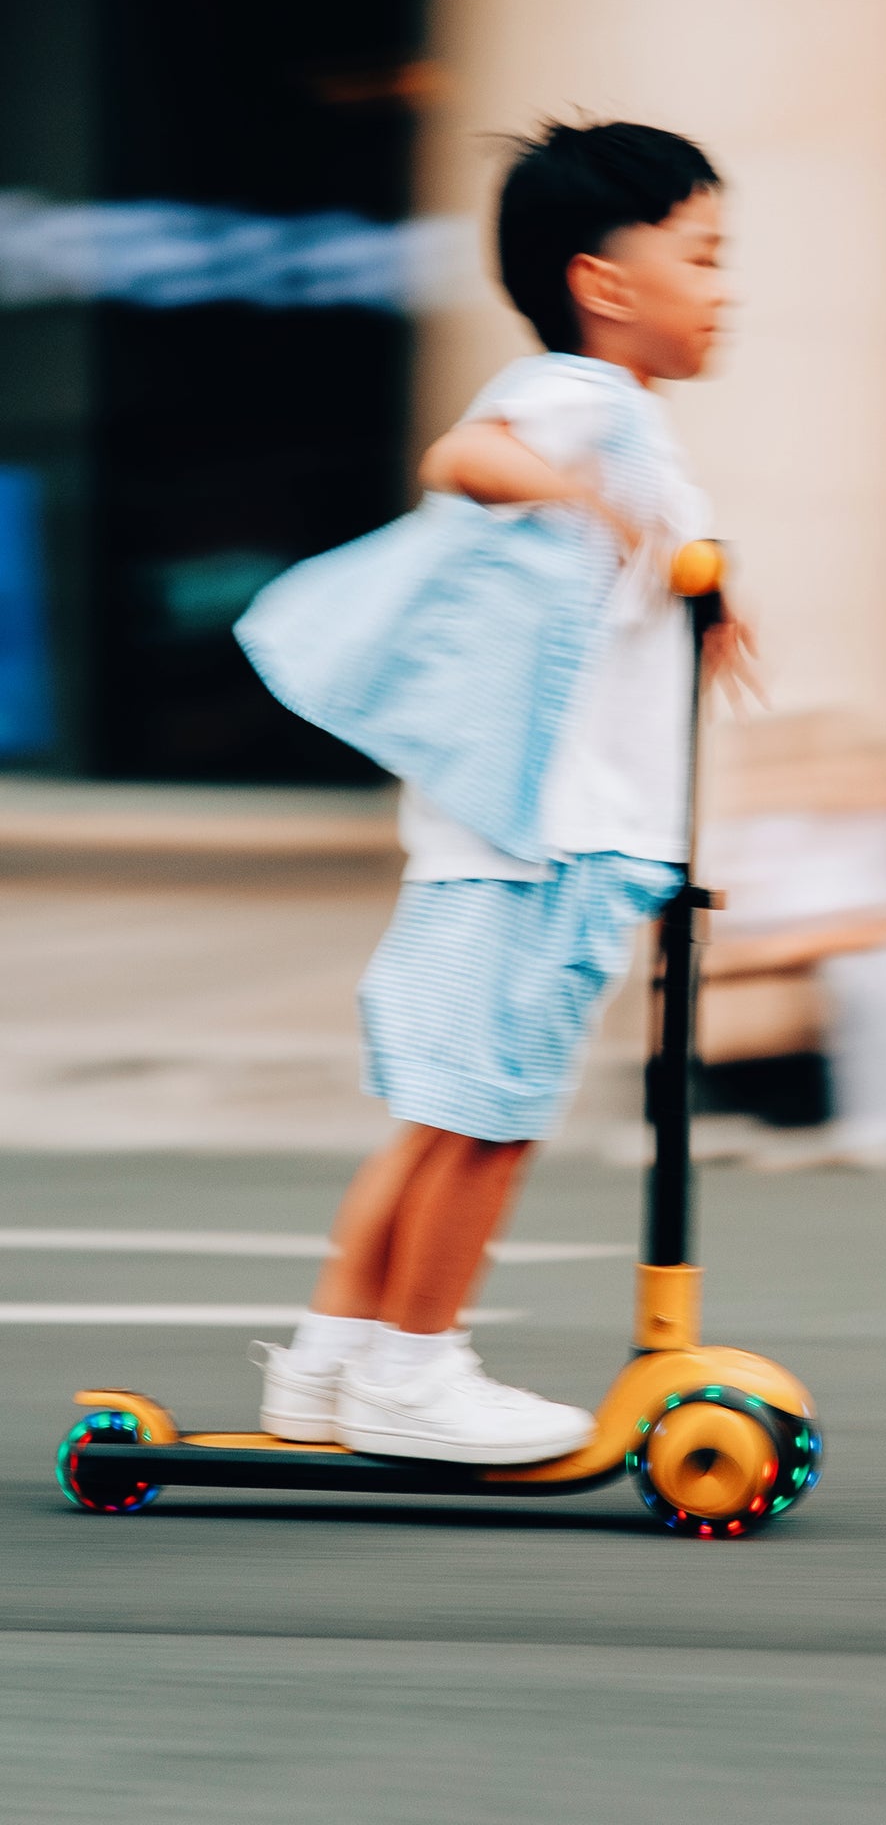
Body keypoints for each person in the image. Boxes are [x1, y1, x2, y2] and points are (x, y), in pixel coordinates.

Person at [235, 120, 755, 1465]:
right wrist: (597, 504)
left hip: (516, 839)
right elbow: (461, 461)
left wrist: (689, 581)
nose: (725, 286)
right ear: (606, 283)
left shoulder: (616, 417)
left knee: (444, 1117)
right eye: (702, 255)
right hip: (553, 844)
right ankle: (419, 1371)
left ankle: (333, 1364)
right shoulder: (585, 403)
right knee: (490, 1122)